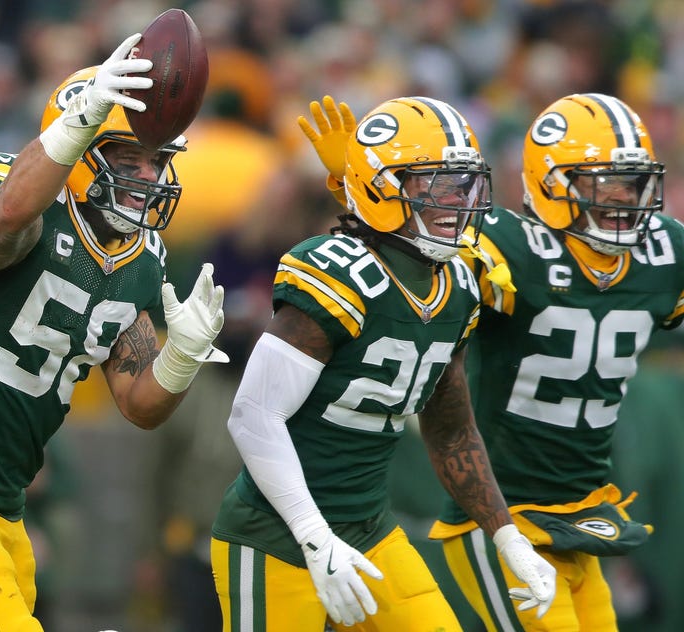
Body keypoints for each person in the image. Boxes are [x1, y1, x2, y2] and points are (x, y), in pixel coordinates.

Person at [0, 30, 227, 631]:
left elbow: (139, 404)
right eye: (130, 158)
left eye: (157, 160)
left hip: (4, 510)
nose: (149, 176)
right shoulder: (13, 189)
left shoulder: (142, 259)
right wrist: (78, 121)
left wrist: (184, 357)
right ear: (83, 144)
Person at [304, 93, 680, 631]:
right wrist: (361, 189)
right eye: (606, 184)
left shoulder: (664, 250)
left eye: (635, 182)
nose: (626, 199)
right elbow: (406, 260)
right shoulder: (508, 246)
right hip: (501, 514)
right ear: (552, 182)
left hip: (583, 513)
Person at [211, 96, 556, 632]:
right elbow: (252, 416)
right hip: (276, 534)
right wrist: (315, 537)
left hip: (370, 528)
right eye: (436, 183)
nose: (456, 200)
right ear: (382, 187)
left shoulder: (461, 283)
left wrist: (507, 537)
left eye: (464, 183)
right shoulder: (337, 276)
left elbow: (452, 430)